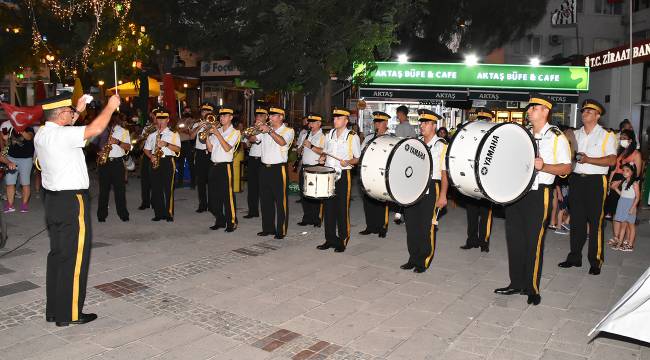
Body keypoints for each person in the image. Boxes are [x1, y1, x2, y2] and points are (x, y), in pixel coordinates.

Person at [35, 92, 121, 327]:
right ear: (61, 114)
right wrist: (111, 107)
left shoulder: (42, 134)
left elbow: (67, 132)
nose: (73, 114)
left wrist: (78, 112)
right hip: (72, 201)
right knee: (74, 259)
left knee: (58, 256)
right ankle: (70, 314)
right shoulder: (62, 135)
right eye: (69, 112)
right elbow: (94, 129)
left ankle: (54, 310)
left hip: (53, 201)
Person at [495, 95, 571, 305]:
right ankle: (516, 282)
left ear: (545, 111)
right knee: (514, 239)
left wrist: (543, 166)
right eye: (529, 108)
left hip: (539, 193)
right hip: (517, 192)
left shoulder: (556, 137)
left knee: (534, 240)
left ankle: (532, 288)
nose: (529, 111)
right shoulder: (523, 134)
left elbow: (566, 167)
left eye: (534, 108)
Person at [559, 99, 617, 275]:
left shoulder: (607, 135)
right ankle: (574, 257)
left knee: (595, 222)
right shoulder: (574, 134)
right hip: (576, 180)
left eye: (589, 112)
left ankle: (595, 260)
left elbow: (612, 160)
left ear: (598, 115)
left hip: (596, 182)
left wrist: (588, 159)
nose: (584, 113)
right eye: (584, 111)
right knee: (576, 221)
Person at [400, 109, 448, 273]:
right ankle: (412, 258)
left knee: (426, 226)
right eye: (421, 122)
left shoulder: (441, 145)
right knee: (411, 225)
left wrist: (443, 195)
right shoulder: (416, 143)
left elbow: (444, 172)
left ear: (434, 125)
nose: (422, 125)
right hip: (414, 187)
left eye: (426, 123)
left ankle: (423, 260)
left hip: (431, 187)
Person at [316, 108, 361, 252]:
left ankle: (343, 239)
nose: (335, 120)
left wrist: (348, 161)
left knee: (342, 209)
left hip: (343, 176)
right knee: (328, 209)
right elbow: (325, 152)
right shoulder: (329, 135)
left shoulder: (352, 136)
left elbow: (358, 159)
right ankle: (329, 239)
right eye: (334, 118)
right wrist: (323, 158)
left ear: (346, 120)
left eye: (338, 118)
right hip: (329, 175)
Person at [254, 106, 295, 239]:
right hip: (264, 168)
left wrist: (269, 131)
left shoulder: (288, 130)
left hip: (278, 169)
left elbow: (282, 142)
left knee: (280, 201)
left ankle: (281, 230)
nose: (269, 117)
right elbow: (252, 140)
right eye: (269, 115)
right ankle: (268, 228)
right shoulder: (265, 128)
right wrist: (253, 131)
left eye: (273, 115)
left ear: (281, 117)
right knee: (265, 200)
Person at [460, 109, 494, 252]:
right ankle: (471, 240)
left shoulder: (494, 137)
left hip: (486, 182)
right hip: (471, 180)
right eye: (480, 120)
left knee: (486, 215)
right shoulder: (472, 136)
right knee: (472, 214)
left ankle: (484, 242)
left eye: (484, 120)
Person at [206, 106, 241, 232]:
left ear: (231, 117)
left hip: (225, 166)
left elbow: (227, 148)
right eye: (220, 116)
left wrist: (217, 134)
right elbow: (210, 149)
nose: (221, 118)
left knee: (227, 195)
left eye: (225, 116)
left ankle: (232, 222)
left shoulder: (235, 132)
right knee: (214, 196)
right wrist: (206, 137)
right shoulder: (218, 130)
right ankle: (220, 220)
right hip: (213, 165)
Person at [144, 109, 181, 222]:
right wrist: (151, 156)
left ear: (168, 120)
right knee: (156, 189)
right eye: (159, 118)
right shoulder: (152, 135)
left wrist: (166, 144)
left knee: (168, 189)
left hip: (167, 161)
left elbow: (178, 149)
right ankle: (158, 214)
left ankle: (169, 214)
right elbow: (146, 149)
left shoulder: (173, 134)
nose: (161, 121)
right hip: (155, 160)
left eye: (163, 119)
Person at [359, 111, 391, 238]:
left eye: (379, 122)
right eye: (375, 122)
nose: (376, 124)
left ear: (386, 123)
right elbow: (361, 154)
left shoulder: (390, 138)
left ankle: (382, 227)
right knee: (368, 201)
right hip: (368, 173)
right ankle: (370, 226)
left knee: (382, 201)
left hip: (381, 174)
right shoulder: (368, 138)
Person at [96, 113, 131, 222]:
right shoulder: (101, 130)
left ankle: (123, 214)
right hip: (104, 162)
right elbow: (94, 144)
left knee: (120, 190)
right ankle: (101, 215)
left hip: (117, 163)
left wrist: (117, 142)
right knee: (103, 191)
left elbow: (128, 147)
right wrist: (99, 152)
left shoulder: (123, 131)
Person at [604, 129, 642, 219]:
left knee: (622, 211)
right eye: (621, 138)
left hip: (626, 181)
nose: (621, 140)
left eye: (624, 138)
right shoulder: (621, 152)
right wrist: (609, 183)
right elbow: (614, 169)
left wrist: (621, 182)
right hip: (615, 178)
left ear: (630, 140)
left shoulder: (636, 154)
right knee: (613, 210)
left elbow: (637, 174)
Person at [297, 113, 325, 227]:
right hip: (304, 166)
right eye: (310, 122)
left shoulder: (323, 136)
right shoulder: (305, 135)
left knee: (315, 194)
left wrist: (311, 146)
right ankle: (307, 217)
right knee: (304, 193)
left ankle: (316, 218)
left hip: (315, 167)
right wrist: (300, 149)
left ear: (319, 123)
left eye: (313, 122)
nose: (311, 124)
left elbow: (323, 151)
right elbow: (298, 150)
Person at [1, 121, 35, 213]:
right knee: (10, 183)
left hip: (26, 159)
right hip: (11, 158)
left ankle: (24, 205)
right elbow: (6, 144)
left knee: (25, 183)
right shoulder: (10, 129)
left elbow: (29, 137)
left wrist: (22, 130)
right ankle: (10, 205)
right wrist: (5, 139)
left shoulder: (28, 127)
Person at [393, 105, 416, 225]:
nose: (397, 116)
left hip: (401, 161)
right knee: (407, 188)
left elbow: (398, 144)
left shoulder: (400, 127)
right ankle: (404, 214)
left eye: (397, 114)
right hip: (410, 162)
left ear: (401, 114)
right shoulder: (412, 128)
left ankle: (399, 212)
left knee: (400, 188)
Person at [610, 163, 640, 251]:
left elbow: (637, 197)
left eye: (627, 171)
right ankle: (620, 243)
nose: (624, 172)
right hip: (622, 203)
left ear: (632, 172)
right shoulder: (624, 182)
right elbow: (623, 195)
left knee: (631, 225)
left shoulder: (635, 184)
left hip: (630, 205)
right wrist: (616, 189)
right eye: (623, 170)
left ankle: (630, 245)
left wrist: (632, 208)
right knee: (623, 224)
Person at [244, 107, 268, 218]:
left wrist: (256, 131)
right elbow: (246, 143)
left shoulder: (267, 129)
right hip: (252, 159)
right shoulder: (251, 128)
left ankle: (266, 212)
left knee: (263, 188)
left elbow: (255, 139)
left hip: (263, 159)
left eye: (261, 115)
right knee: (252, 187)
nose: (258, 117)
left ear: (266, 117)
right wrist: (248, 138)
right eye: (257, 115)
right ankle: (252, 211)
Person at [191, 103, 215, 213]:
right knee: (200, 180)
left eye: (207, 112)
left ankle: (212, 204)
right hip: (200, 153)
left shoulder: (215, 125)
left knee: (211, 180)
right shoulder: (197, 123)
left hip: (211, 153)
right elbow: (191, 136)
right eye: (203, 111)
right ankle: (202, 204)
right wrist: (198, 127)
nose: (204, 113)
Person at [138, 108, 158, 210]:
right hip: (146, 155)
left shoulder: (163, 128)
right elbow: (140, 143)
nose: (155, 118)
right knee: (145, 180)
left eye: (157, 116)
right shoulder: (147, 127)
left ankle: (155, 202)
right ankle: (145, 202)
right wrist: (144, 138)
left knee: (155, 180)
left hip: (157, 154)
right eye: (154, 116)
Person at [175, 108, 195, 188]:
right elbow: (176, 129)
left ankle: (193, 183)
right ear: (183, 112)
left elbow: (190, 132)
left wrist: (182, 129)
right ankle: (180, 182)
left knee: (191, 164)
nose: (187, 112)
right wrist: (183, 129)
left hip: (188, 144)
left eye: (188, 111)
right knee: (180, 164)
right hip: (180, 144)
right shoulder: (180, 120)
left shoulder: (193, 121)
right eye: (185, 111)